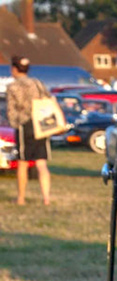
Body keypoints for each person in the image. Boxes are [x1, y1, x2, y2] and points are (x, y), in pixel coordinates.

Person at [6, 56, 54, 206]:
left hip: (24, 125)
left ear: (14, 69)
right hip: (41, 124)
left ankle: (21, 198)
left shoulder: (13, 86)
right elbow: (48, 99)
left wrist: (14, 123)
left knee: (23, 162)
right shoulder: (37, 83)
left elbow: (11, 110)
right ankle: (46, 198)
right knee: (41, 163)